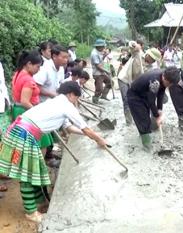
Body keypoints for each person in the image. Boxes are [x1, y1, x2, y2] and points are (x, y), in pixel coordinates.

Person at [0, 81, 107, 223]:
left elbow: (70, 128)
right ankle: (30, 212)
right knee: (27, 174)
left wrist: (92, 135)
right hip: (25, 134)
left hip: (19, 130)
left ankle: (39, 201)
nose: (77, 101)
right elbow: (84, 127)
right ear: (70, 94)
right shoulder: (66, 105)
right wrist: (99, 139)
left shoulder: (54, 103)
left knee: (34, 171)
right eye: (77, 97)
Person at [127, 67, 180, 150]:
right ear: (164, 77)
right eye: (169, 84)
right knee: (143, 119)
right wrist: (157, 116)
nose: (169, 86)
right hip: (135, 95)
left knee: (146, 118)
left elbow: (161, 93)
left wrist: (159, 110)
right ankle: (147, 146)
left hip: (144, 94)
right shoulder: (155, 82)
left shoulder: (165, 76)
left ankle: (143, 135)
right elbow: (151, 101)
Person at [118, 41, 162, 125]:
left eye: (154, 61)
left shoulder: (150, 67)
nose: (153, 62)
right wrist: (135, 45)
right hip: (124, 79)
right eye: (153, 59)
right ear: (148, 55)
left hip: (134, 83)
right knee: (126, 100)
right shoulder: (138, 53)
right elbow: (131, 45)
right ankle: (129, 123)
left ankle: (140, 120)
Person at [0, 60, 10, 198]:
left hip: (2, 108)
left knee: (4, 143)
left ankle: (1, 172)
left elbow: (2, 84)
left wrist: (7, 101)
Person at [90, 39, 112, 104]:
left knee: (110, 82)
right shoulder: (94, 54)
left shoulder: (99, 52)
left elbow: (101, 60)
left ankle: (104, 96)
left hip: (102, 73)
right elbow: (98, 66)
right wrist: (107, 71)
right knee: (99, 88)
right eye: (103, 46)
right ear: (99, 46)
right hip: (97, 74)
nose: (104, 48)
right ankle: (95, 99)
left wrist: (104, 55)